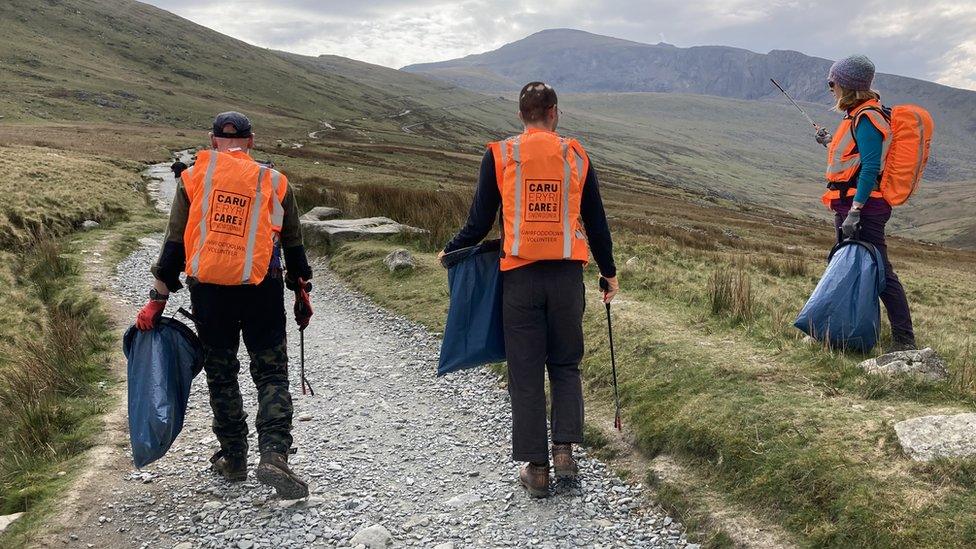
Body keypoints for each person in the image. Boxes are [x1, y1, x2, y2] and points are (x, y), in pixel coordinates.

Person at [439, 82, 618, 498]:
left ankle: (537, 471)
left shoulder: (501, 155)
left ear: (521, 115)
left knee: (525, 373)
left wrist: (450, 250)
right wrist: (608, 272)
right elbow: (596, 221)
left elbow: (479, 221)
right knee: (566, 363)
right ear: (554, 112)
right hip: (566, 279)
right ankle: (564, 453)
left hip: (518, 280)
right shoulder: (576, 155)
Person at [135, 111, 313, 499]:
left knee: (221, 371)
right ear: (251, 141)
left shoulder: (194, 178)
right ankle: (274, 455)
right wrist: (301, 288)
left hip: (209, 291)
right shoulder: (274, 181)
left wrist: (157, 301)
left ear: (213, 140)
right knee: (271, 374)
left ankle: (233, 457)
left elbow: (174, 245)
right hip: (261, 288)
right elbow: (294, 243)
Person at [820, 55, 917, 352]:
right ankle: (844, 332)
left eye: (832, 82)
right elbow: (854, 157)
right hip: (850, 204)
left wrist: (856, 211)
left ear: (847, 85)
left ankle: (904, 341)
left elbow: (872, 165)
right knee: (851, 267)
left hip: (863, 208)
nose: (830, 87)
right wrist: (827, 142)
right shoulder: (856, 115)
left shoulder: (867, 117)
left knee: (880, 271)